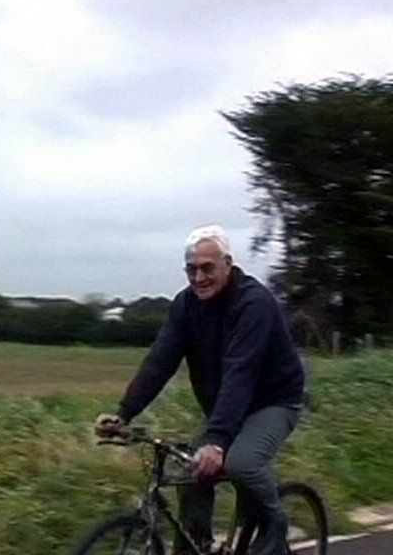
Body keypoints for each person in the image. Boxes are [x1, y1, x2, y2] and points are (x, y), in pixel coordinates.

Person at [95, 225, 306, 555]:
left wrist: (217, 442)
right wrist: (124, 413)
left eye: (207, 268)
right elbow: (160, 362)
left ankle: (276, 526)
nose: (199, 278)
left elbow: (240, 373)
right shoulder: (186, 305)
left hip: (273, 401)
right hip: (228, 404)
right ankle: (195, 547)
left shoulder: (254, 304)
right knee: (192, 472)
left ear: (228, 264)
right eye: (191, 269)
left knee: (242, 464)